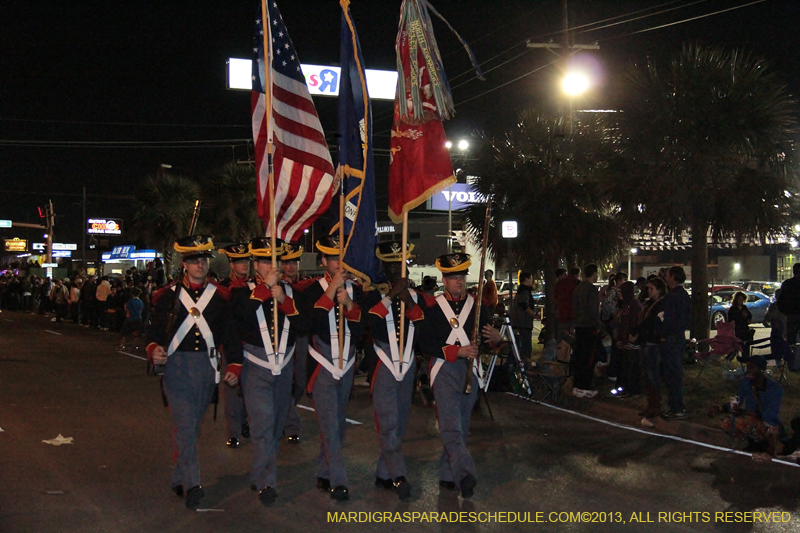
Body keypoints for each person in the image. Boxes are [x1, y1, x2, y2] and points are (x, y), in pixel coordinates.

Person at [146, 235, 238, 509]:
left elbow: (229, 336)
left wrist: (233, 365)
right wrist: (154, 350)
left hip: (206, 368)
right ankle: (193, 485)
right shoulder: (166, 297)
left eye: (203, 260)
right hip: (177, 368)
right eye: (194, 261)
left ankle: (180, 476)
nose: (200, 265)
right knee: (185, 426)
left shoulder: (221, 298)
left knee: (192, 427)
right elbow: (152, 333)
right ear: (184, 264)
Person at [228, 238, 308, 505]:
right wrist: (263, 289)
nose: (269, 265)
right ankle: (267, 482)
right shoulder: (242, 290)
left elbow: (303, 325)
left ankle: (259, 472)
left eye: (273, 260)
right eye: (263, 261)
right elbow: (239, 317)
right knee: (262, 423)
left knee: (274, 427)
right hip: (256, 364)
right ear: (255, 264)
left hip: (283, 365)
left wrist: (284, 298)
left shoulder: (290, 291)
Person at [418, 253, 501, 499]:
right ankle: (465, 474)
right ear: (444, 280)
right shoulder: (432, 307)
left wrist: (497, 340)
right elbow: (425, 343)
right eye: (453, 277)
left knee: (462, 428)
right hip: (444, 370)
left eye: (462, 276)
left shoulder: (478, 307)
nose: (459, 281)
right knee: (451, 427)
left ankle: (447, 473)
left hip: (470, 371)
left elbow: (487, 342)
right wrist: (456, 351)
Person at [362, 241, 424, 500]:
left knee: (398, 424)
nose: (400, 270)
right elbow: (370, 324)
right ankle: (399, 476)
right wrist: (389, 296)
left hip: (407, 365)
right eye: (393, 265)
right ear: (383, 268)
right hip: (383, 365)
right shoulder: (372, 295)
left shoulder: (414, 296)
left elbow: (421, 325)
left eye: (402, 264)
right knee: (387, 424)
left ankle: (383, 473)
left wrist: (406, 298)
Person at [304, 234, 363, 501]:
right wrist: (331, 291)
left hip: (347, 363)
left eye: (342, 258)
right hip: (322, 364)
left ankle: (324, 471)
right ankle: (339, 481)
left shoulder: (356, 289)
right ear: (324, 261)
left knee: (337, 425)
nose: (339, 263)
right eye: (334, 259)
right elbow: (311, 320)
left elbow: (362, 329)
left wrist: (349, 303)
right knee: (329, 423)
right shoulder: (310, 289)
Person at [709, 355, 783, 457]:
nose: (748, 371)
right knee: (727, 423)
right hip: (752, 420)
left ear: (761, 369)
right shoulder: (746, 383)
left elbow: (771, 414)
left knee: (768, 427)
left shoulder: (775, 388)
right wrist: (720, 408)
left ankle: (770, 446)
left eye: (752, 367)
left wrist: (745, 413)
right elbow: (737, 401)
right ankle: (751, 442)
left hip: (768, 423)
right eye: (747, 367)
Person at [279, 242, 315, 444]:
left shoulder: (307, 287)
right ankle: (291, 424)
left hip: (301, 337)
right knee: (284, 381)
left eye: (293, 262)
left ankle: (285, 413)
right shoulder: (276, 285)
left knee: (300, 380)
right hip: (280, 338)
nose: (290, 267)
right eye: (286, 263)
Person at [218, 243, 253, 448]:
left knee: (250, 389)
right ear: (231, 263)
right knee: (232, 389)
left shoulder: (251, 285)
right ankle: (233, 431)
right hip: (232, 344)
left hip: (250, 343)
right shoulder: (224, 287)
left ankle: (245, 422)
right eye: (239, 261)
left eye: (246, 261)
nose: (244, 265)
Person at [659, 266, 691, 420]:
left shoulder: (672, 296)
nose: (666, 277)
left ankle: (676, 407)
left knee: (672, 373)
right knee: (675, 373)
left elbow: (669, 319)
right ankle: (676, 406)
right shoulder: (684, 295)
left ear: (673, 277)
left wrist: (664, 333)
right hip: (678, 337)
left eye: (668, 274)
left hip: (671, 338)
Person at [635, 277, 667, 419]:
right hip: (646, 340)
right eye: (648, 288)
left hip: (653, 342)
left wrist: (639, 331)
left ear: (659, 290)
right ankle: (651, 404)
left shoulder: (660, 304)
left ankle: (656, 406)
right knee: (648, 375)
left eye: (651, 288)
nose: (648, 291)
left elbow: (651, 323)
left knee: (653, 375)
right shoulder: (650, 304)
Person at [572, 264, 601, 398]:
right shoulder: (592, 290)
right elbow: (594, 310)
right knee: (589, 358)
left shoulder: (578, 288)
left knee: (579, 356)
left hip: (579, 326)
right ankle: (585, 386)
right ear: (594, 273)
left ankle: (577, 385)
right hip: (589, 327)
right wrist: (598, 326)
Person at [612, 281, 643, 398]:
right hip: (625, 341)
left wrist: (632, 336)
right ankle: (625, 389)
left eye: (621, 291)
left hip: (631, 342)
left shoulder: (635, 305)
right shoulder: (626, 305)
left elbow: (635, 323)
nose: (619, 294)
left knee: (631, 368)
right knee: (625, 367)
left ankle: (633, 390)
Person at [511, 271, 536, 362]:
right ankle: (525, 362)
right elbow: (524, 304)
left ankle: (523, 361)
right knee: (526, 344)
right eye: (530, 278)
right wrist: (532, 314)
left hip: (521, 321)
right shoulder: (525, 291)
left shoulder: (521, 290)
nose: (531, 280)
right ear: (527, 279)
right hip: (524, 322)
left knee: (523, 343)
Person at [777, 263, 800, 349]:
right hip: (792, 314)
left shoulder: (787, 284)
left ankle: (791, 358)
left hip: (791, 316)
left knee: (791, 341)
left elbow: (780, 301)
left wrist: (786, 312)